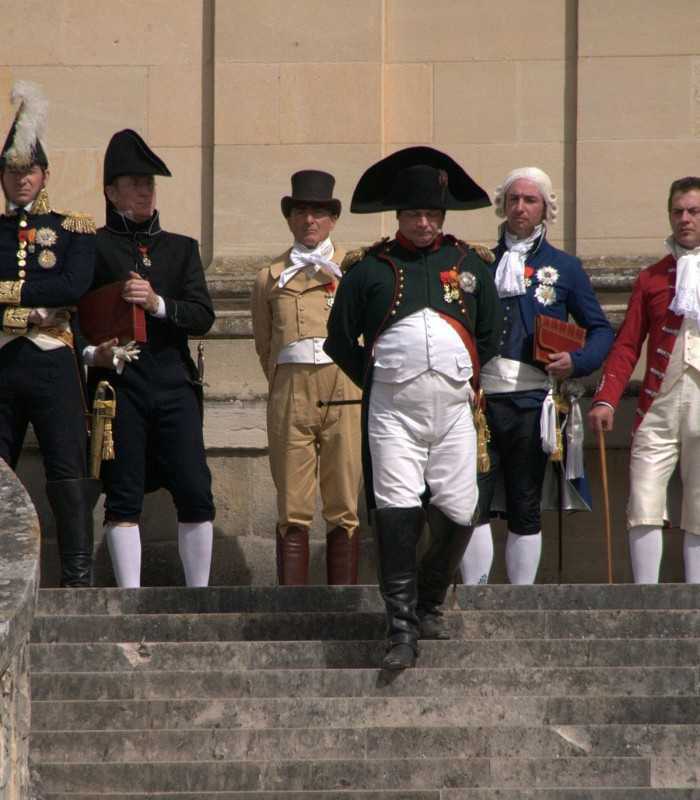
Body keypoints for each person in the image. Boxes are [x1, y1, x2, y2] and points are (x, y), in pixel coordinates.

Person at [325, 146, 502, 669]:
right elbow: (339, 340)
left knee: (461, 507)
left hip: (453, 411)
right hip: (392, 414)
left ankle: (428, 601)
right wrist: (377, 382)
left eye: (431, 214)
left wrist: (465, 378)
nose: (423, 223)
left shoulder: (470, 265)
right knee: (397, 509)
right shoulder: (369, 269)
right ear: (398, 216)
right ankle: (400, 628)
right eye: (414, 214)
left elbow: (492, 333)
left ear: (443, 216)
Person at [463, 167, 613, 586]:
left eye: (530, 200)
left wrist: (576, 361)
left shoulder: (565, 267)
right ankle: (474, 594)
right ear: (502, 205)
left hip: (532, 402)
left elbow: (601, 331)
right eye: (513, 199)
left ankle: (520, 599)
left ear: (546, 208)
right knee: (472, 500)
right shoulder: (477, 263)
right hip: (480, 402)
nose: (520, 207)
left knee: (524, 502)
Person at [85, 129, 215, 588]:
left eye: (149, 183)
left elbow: (202, 316)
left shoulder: (181, 248)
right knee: (123, 494)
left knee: (195, 489)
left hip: (173, 382)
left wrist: (158, 304)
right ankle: (129, 600)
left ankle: (199, 596)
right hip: (121, 386)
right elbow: (77, 318)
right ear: (111, 191)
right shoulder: (93, 247)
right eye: (134, 183)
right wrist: (93, 354)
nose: (145, 191)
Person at [0, 81, 99, 586]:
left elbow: (73, 285)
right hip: (4, 363)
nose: (21, 180)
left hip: (53, 360)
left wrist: (10, 294)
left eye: (29, 171)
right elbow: (51, 289)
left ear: (44, 175)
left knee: (67, 469)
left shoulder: (71, 229)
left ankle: (77, 578)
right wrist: (31, 306)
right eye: (12, 172)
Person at [251, 170, 362, 585]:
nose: (309, 220)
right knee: (292, 503)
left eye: (318, 213)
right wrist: (286, 384)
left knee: (344, 499)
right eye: (300, 212)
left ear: (332, 219)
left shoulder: (354, 269)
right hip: (291, 389)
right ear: (290, 218)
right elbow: (265, 344)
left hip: (344, 386)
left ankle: (343, 602)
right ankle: (291, 605)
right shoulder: (270, 276)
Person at [588, 176, 700, 584]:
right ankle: (643, 595)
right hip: (658, 403)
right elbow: (627, 344)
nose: (685, 219)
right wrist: (606, 398)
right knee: (643, 498)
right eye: (678, 211)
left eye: (694, 211)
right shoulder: (651, 278)